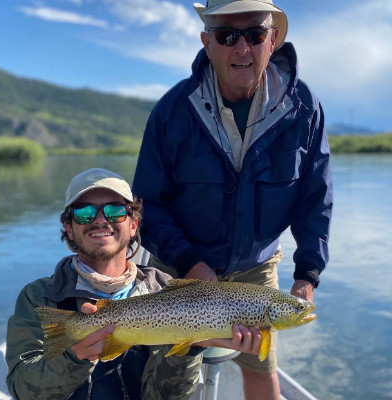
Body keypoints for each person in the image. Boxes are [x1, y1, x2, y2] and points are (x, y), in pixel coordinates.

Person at [132, 1, 333, 399]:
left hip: (255, 271)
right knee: (167, 380)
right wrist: (191, 261)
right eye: (227, 36)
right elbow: (148, 204)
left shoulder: (304, 109)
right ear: (207, 43)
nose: (242, 47)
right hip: (178, 267)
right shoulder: (172, 112)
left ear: (272, 40)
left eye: (254, 34)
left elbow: (315, 199)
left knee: (260, 369)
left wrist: (307, 275)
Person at [5, 167, 263, 400]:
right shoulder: (39, 296)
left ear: (133, 225)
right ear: (69, 227)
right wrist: (75, 358)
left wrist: (191, 346)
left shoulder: (167, 291)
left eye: (114, 210)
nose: (100, 220)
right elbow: (23, 391)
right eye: (84, 213)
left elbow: (165, 398)